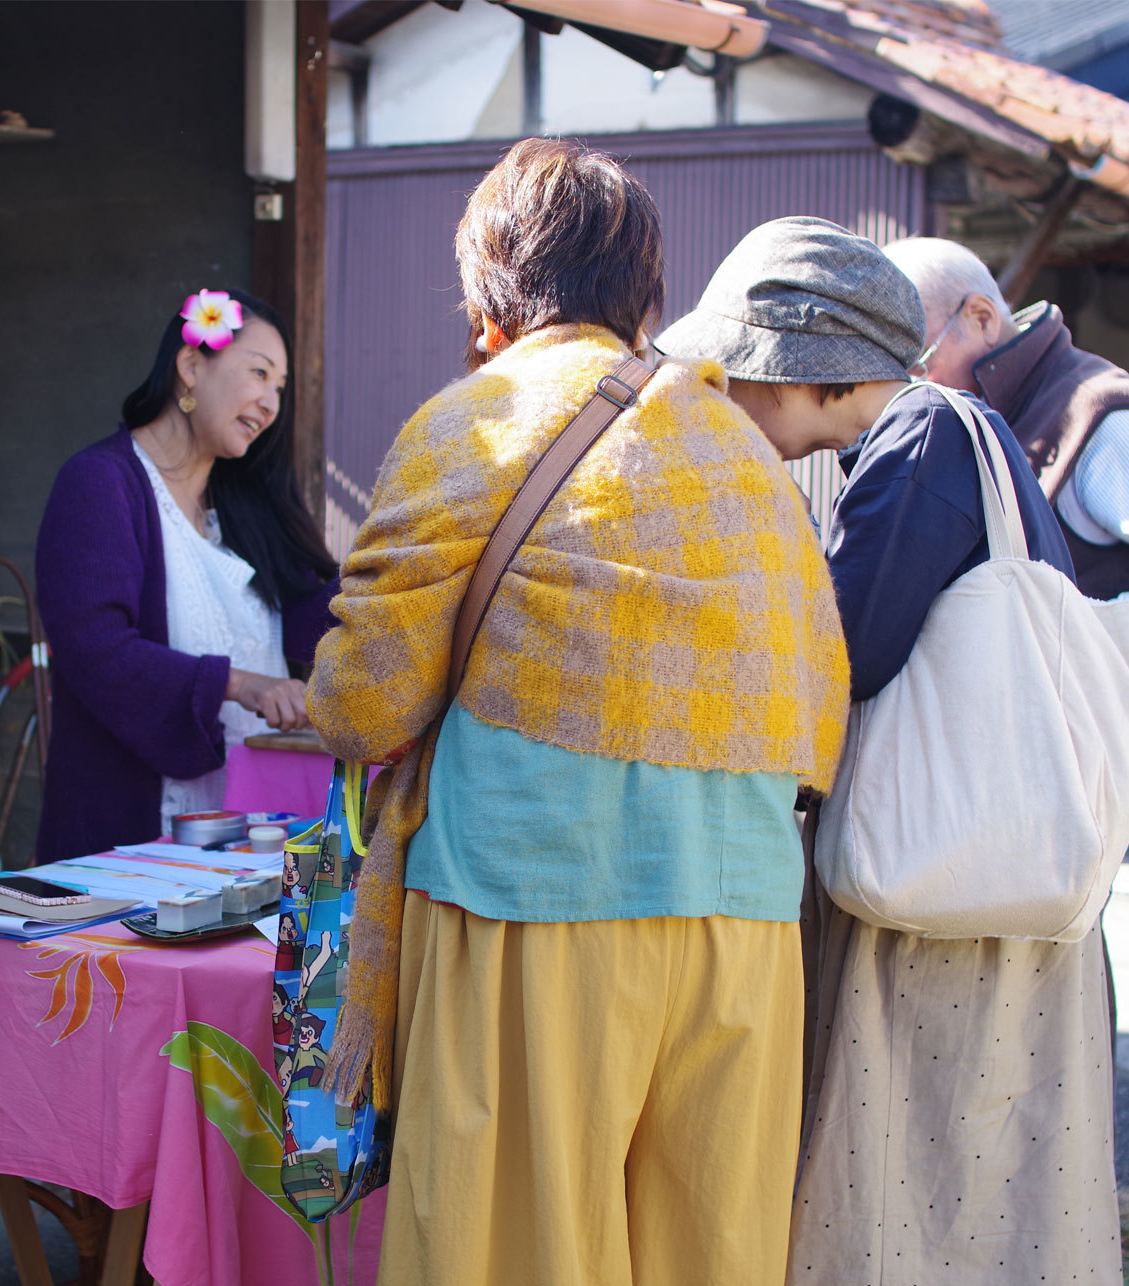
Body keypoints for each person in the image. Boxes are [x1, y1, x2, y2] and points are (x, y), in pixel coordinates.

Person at [307, 141, 850, 1286]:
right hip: (744, 923)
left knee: (513, 1252)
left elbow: (358, 703)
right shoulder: (746, 458)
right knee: (713, 1254)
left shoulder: (479, 416)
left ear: (491, 283)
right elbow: (818, 708)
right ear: (646, 289)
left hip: (532, 902)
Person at [659, 215, 1122, 1282]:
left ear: (806, 366)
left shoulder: (921, 438)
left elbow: (846, 656)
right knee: (989, 1183)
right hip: (1005, 873)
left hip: (939, 896)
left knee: (911, 1182)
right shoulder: (970, 437)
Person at [33, 289, 338, 862]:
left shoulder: (248, 506)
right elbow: (96, 651)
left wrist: (396, 567)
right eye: (259, 373)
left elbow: (311, 621)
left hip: (251, 829)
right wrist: (241, 684)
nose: (272, 402)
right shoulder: (101, 483)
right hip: (131, 838)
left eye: (280, 387)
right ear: (191, 365)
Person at [881, 237, 1129, 652]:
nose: (908, 390)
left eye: (918, 365)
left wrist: (1087, 641)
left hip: (1074, 714)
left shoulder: (1094, 416)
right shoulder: (974, 417)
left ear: (981, 317)